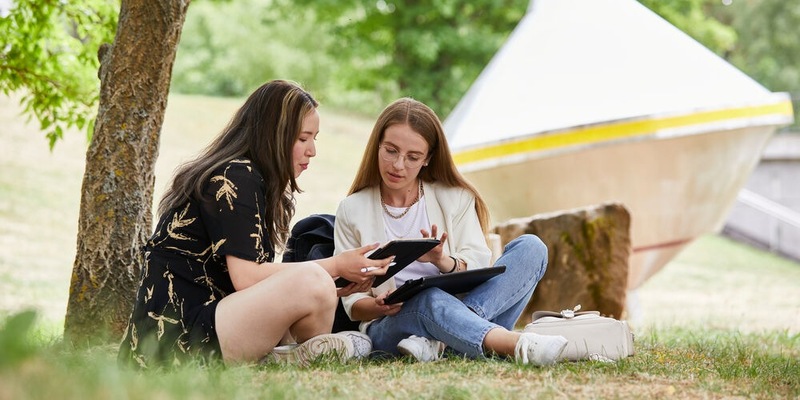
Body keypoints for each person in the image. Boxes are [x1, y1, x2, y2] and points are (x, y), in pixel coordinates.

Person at [118, 80, 391, 368]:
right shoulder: (235, 176)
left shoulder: (251, 179)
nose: (312, 151)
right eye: (302, 139)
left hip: (215, 318)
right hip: (179, 337)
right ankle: (295, 357)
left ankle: (295, 356)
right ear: (273, 135)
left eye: (315, 139)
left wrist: (329, 287)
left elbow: (250, 283)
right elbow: (246, 277)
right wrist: (335, 266)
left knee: (318, 284)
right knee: (313, 278)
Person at [333, 98, 568, 365]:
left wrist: (440, 260)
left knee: (531, 248)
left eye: (412, 157)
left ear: (428, 159)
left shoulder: (455, 197)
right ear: (377, 146)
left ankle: (442, 341)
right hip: (392, 326)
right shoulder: (352, 209)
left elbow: (480, 265)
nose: (398, 165)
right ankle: (516, 344)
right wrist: (378, 306)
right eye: (390, 151)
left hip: (455, 309)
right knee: (428, 298)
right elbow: (351, 301)